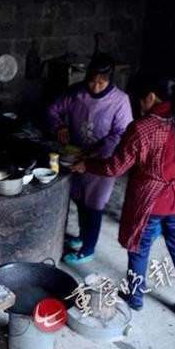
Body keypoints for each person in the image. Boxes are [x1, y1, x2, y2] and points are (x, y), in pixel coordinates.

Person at [70, 73, 175, 319]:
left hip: (149, 202)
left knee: (139, 249)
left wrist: (87, 165)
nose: (138, 107)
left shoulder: (143, 128)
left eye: (138, 101)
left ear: (150, 97)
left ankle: (135, 296)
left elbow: (115, 168)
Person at [47, 53, 133, 265]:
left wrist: (95, 151)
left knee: (94, 204)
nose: (95, 86)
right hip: (75, 156)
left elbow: (122, 132)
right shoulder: (77, 93)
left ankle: (88, 248)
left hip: (102, 161)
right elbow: (53, 109)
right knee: (79, 198)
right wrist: (59, 125)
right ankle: (82, 236)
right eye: (92, 80)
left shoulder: (120, 101)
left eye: (101, 82)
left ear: (110, 79)